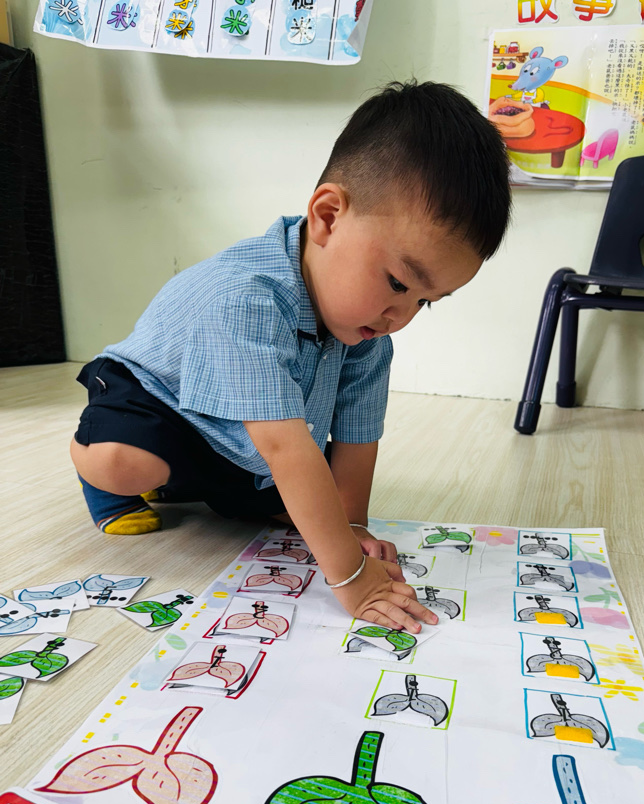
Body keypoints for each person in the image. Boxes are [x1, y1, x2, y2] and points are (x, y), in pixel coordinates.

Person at [70, 80, 512, 633]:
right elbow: (284, 447)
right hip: (161, 403)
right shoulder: (245, 297)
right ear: (327, 216)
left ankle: (188, 484)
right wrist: (352, 578)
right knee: (123, 464)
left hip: (243, 441)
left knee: (309, 508)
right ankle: (107, 472)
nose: (401, 315)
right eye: (400, 283)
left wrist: (352, 527)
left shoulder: (369, 332)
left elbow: (356, 438)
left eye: (426, 301)